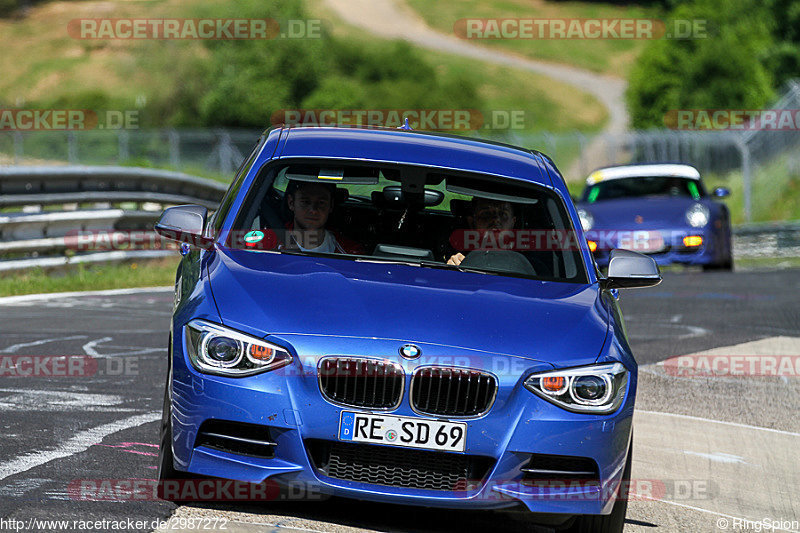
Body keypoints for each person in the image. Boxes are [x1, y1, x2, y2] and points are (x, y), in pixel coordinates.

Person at [282, 180, 363, 254]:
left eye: (321, 203)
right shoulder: (272, 241)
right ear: (291, 203)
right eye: (305, 202)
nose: (313, 210)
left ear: (331, 206)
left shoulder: (350, 252)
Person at [447, 197, 517, 265]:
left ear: (513, 222)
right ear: (472, 222)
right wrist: (452, 269)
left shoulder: (524, 263)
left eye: (503, 215)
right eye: (486, 214)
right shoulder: (461, 259)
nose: (496, 220)